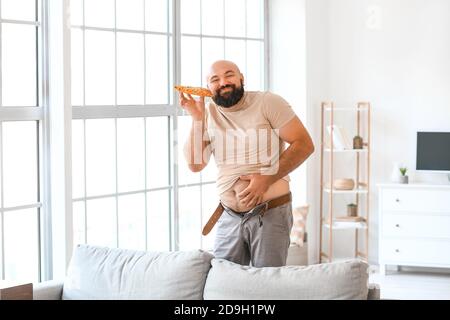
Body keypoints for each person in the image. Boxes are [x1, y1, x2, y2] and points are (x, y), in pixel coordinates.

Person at [179, 60, 314, 267]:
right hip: (228, 215)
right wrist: (197, 119)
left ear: (241, 78)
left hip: (269, 213)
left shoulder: (268, 102)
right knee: (225, 282)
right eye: (215, 79)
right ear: (208, 88)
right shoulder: (207, 113)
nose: (223, 82)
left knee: (267, 285)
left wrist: (266, 179)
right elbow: (195, 165)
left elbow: (304, 144)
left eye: (229, 75)